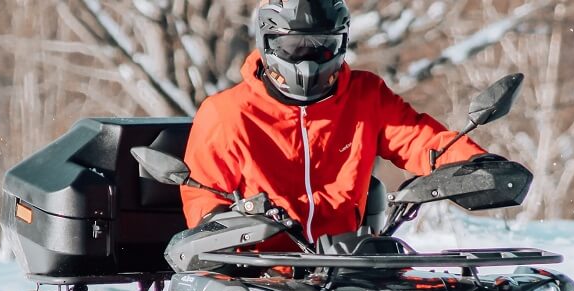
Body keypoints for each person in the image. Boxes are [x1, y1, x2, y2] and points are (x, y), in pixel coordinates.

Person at [181, 0, 486, 244]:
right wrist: (222, 226)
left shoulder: (365, 96)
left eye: (322, 44)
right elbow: (204, 195)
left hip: (345, 263)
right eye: (293, 45)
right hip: (261, 270)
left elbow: (421, 141)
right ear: (267, 42)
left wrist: (477, 164)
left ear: (341, 42)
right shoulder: (226, 112)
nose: (307, 57)